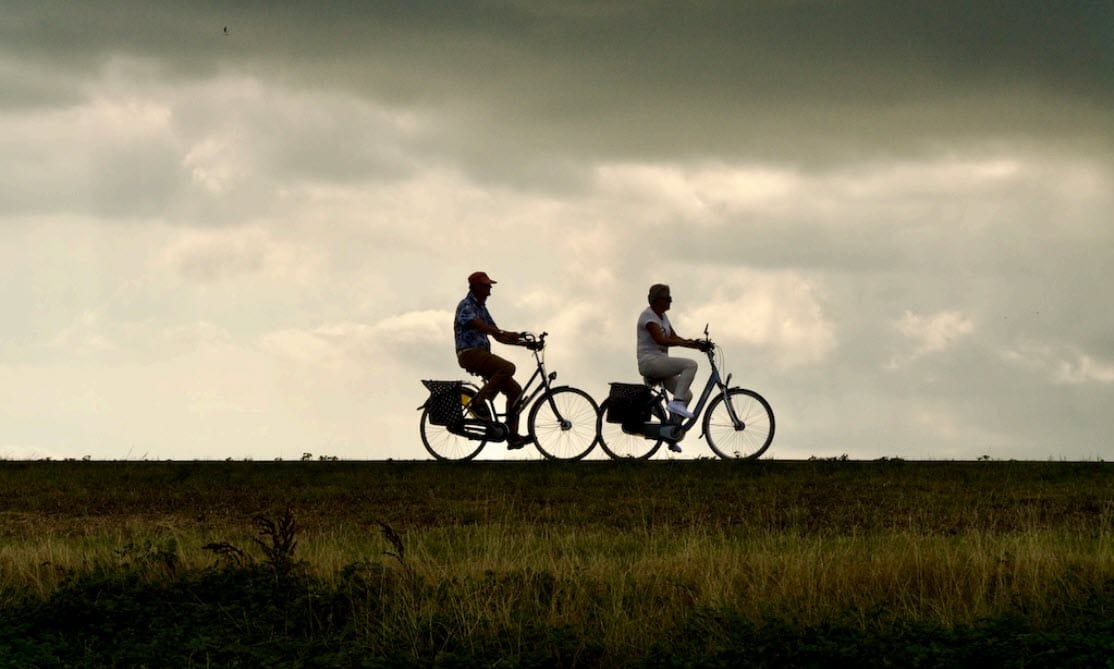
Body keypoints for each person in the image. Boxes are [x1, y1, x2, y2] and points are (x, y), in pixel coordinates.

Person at [454, 271, 531, 449]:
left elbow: (496, 334)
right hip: (470, 354)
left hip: (481, 355)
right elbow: (479, 325)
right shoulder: (466, 305)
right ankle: (479, 402)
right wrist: (499, 332)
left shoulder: (481, 308)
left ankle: (512, 436)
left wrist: (520, 341)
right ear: (476, 287)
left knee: (515, 391)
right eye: (487, 286)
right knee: (508, 367)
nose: (490, 290)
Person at [637, 284, 706, 450]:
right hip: (650, 362)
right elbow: (661, 340)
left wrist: (694, 344)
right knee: (690, 365)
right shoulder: (648, 317)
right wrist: (687, 344)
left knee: (687, 395)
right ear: (658, 300)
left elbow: (674, 337)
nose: (670, 302)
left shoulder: (662, 317)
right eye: (668, 298)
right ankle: (676, 403)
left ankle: (671, 434)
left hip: (661, 362)